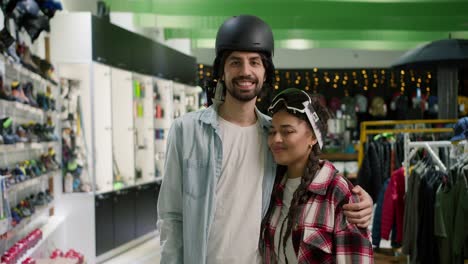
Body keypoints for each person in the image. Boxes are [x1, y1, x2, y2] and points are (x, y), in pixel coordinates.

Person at [157, 15, 373, 264]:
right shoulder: (186, 130)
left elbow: (310, 176)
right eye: (235, 62)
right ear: (222, 70)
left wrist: (359, 201)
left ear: (265, 71)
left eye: (254, 62)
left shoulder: (273, 135)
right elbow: (171, 216)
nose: (245, 71)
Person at [261, 88, 373, 263]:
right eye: (272, 131)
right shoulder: (271, 187)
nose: (276, 139)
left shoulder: (338, 193)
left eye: (287, 131)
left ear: (313, 137)